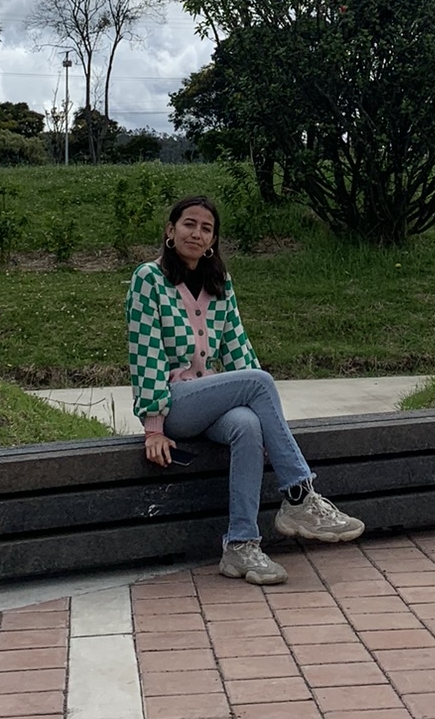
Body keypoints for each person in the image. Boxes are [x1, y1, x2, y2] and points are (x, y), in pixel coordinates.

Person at [126, 194, 364, 586]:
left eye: (206, 229)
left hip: (212, 403)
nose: (196, 234)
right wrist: (153, 427)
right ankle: (299, 494)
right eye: (189, 224)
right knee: (259, 380)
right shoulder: (148, 279)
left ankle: (240, 545)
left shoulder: (219, 283)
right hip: (173, 405)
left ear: (213, 240)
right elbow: (145, 351)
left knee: (248, 427)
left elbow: (238, 350)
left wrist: (270, 427)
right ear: (170, 230)